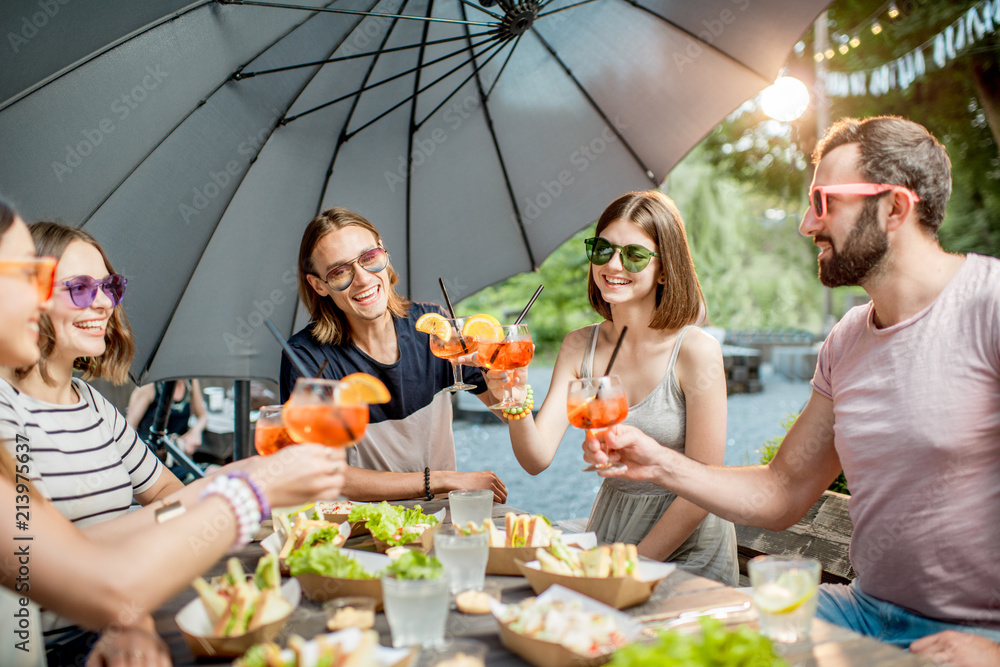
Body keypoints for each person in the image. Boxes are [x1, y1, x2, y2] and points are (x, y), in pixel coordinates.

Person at [584, 117, 1000, 653]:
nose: (807, 224)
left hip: (979, 631)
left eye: (824, 202)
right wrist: (657, 461)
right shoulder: (849, 338)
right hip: (864, 611)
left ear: (895, 208)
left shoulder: (989, 307)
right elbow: (782, 492)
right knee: (656, 647)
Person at [0, 199, 346, 666]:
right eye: (77, 288)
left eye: (109, 286)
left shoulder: (94, 405)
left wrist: (130, 617)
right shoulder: (8, 409)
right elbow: (76, 561)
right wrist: (248, 489)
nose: (102, 301)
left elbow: (157, 502)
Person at [491, 190, 738, 585]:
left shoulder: (696, 351)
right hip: (612, 528)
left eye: (634, 255)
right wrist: (514, 403)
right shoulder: (578, 346)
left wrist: (629, 567)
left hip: (686, 546)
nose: (614, 264)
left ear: (663, 268)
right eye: (602, 250)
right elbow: (536, 459)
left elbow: (703, 487)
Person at [278, 207, 507, 503]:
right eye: (339, 272)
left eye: (369, 258)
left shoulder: (432, 324)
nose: (362, 279)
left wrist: (508, 380)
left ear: (383, 253)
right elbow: (323, 471)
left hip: (440, 521)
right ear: (318, 285)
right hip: (361, 529)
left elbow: (505, 409)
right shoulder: (306, 358)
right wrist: (443, 480)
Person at [127, 379, 210, 478]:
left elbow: (203, 416)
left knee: (218, 473)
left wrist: (195, 431)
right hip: (153, 466)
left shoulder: (190, 381)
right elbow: (129, 428)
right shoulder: (150, 385)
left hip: (179, 460)